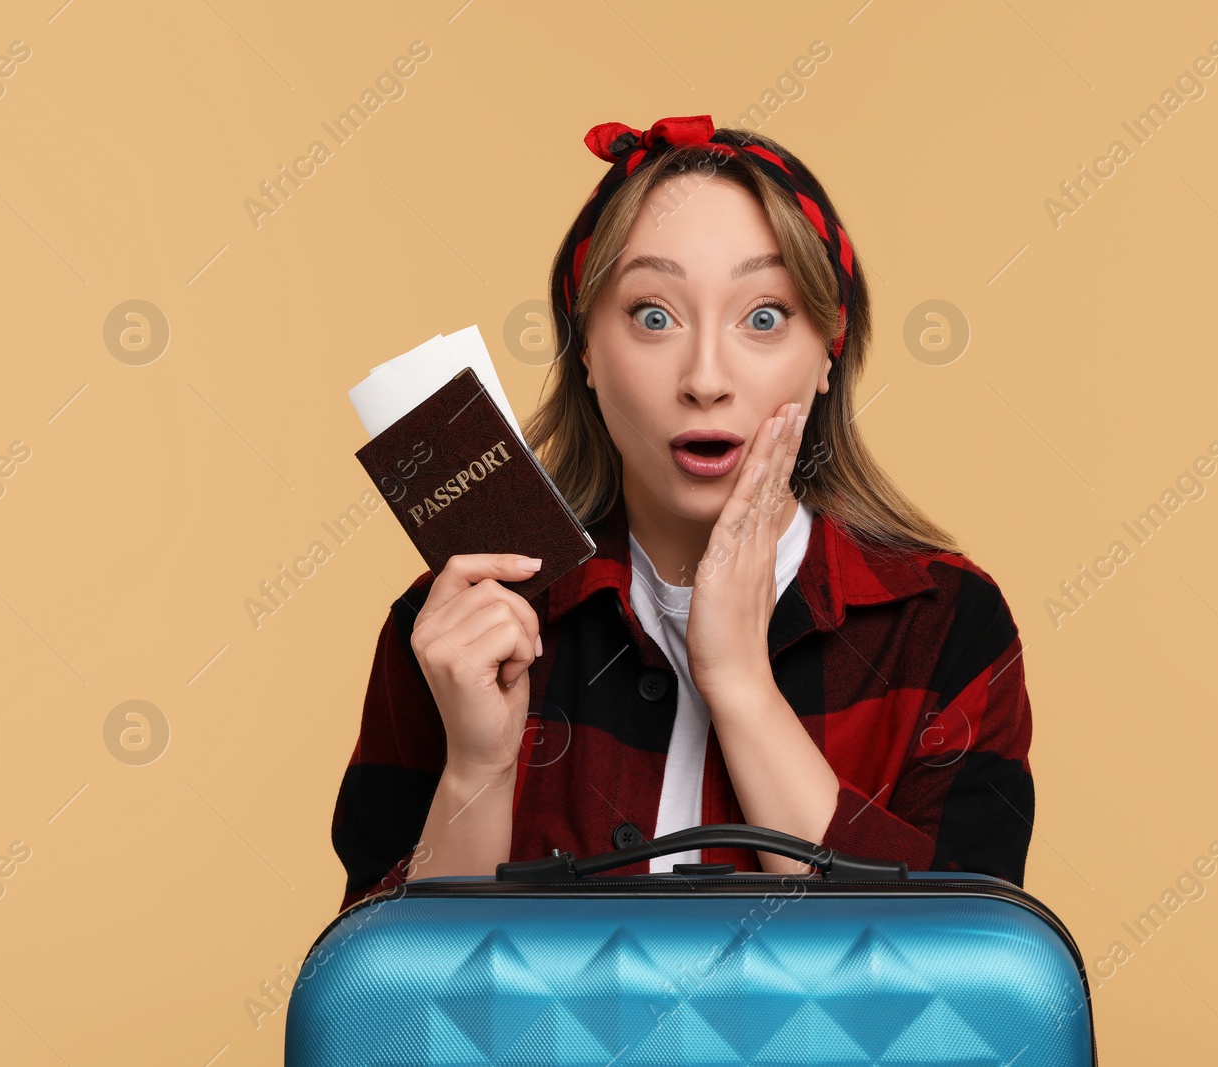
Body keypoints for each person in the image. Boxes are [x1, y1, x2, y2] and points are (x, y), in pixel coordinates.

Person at [329, 115, 1035, 912]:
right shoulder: (458, 626)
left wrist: (741, 683)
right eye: (653, 315)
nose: (705, 378)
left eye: (763, 316)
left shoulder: (947, 628)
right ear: (585, 353)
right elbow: (386, 1021)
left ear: (829, 353)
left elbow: (957, 1004)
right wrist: (478, 771)